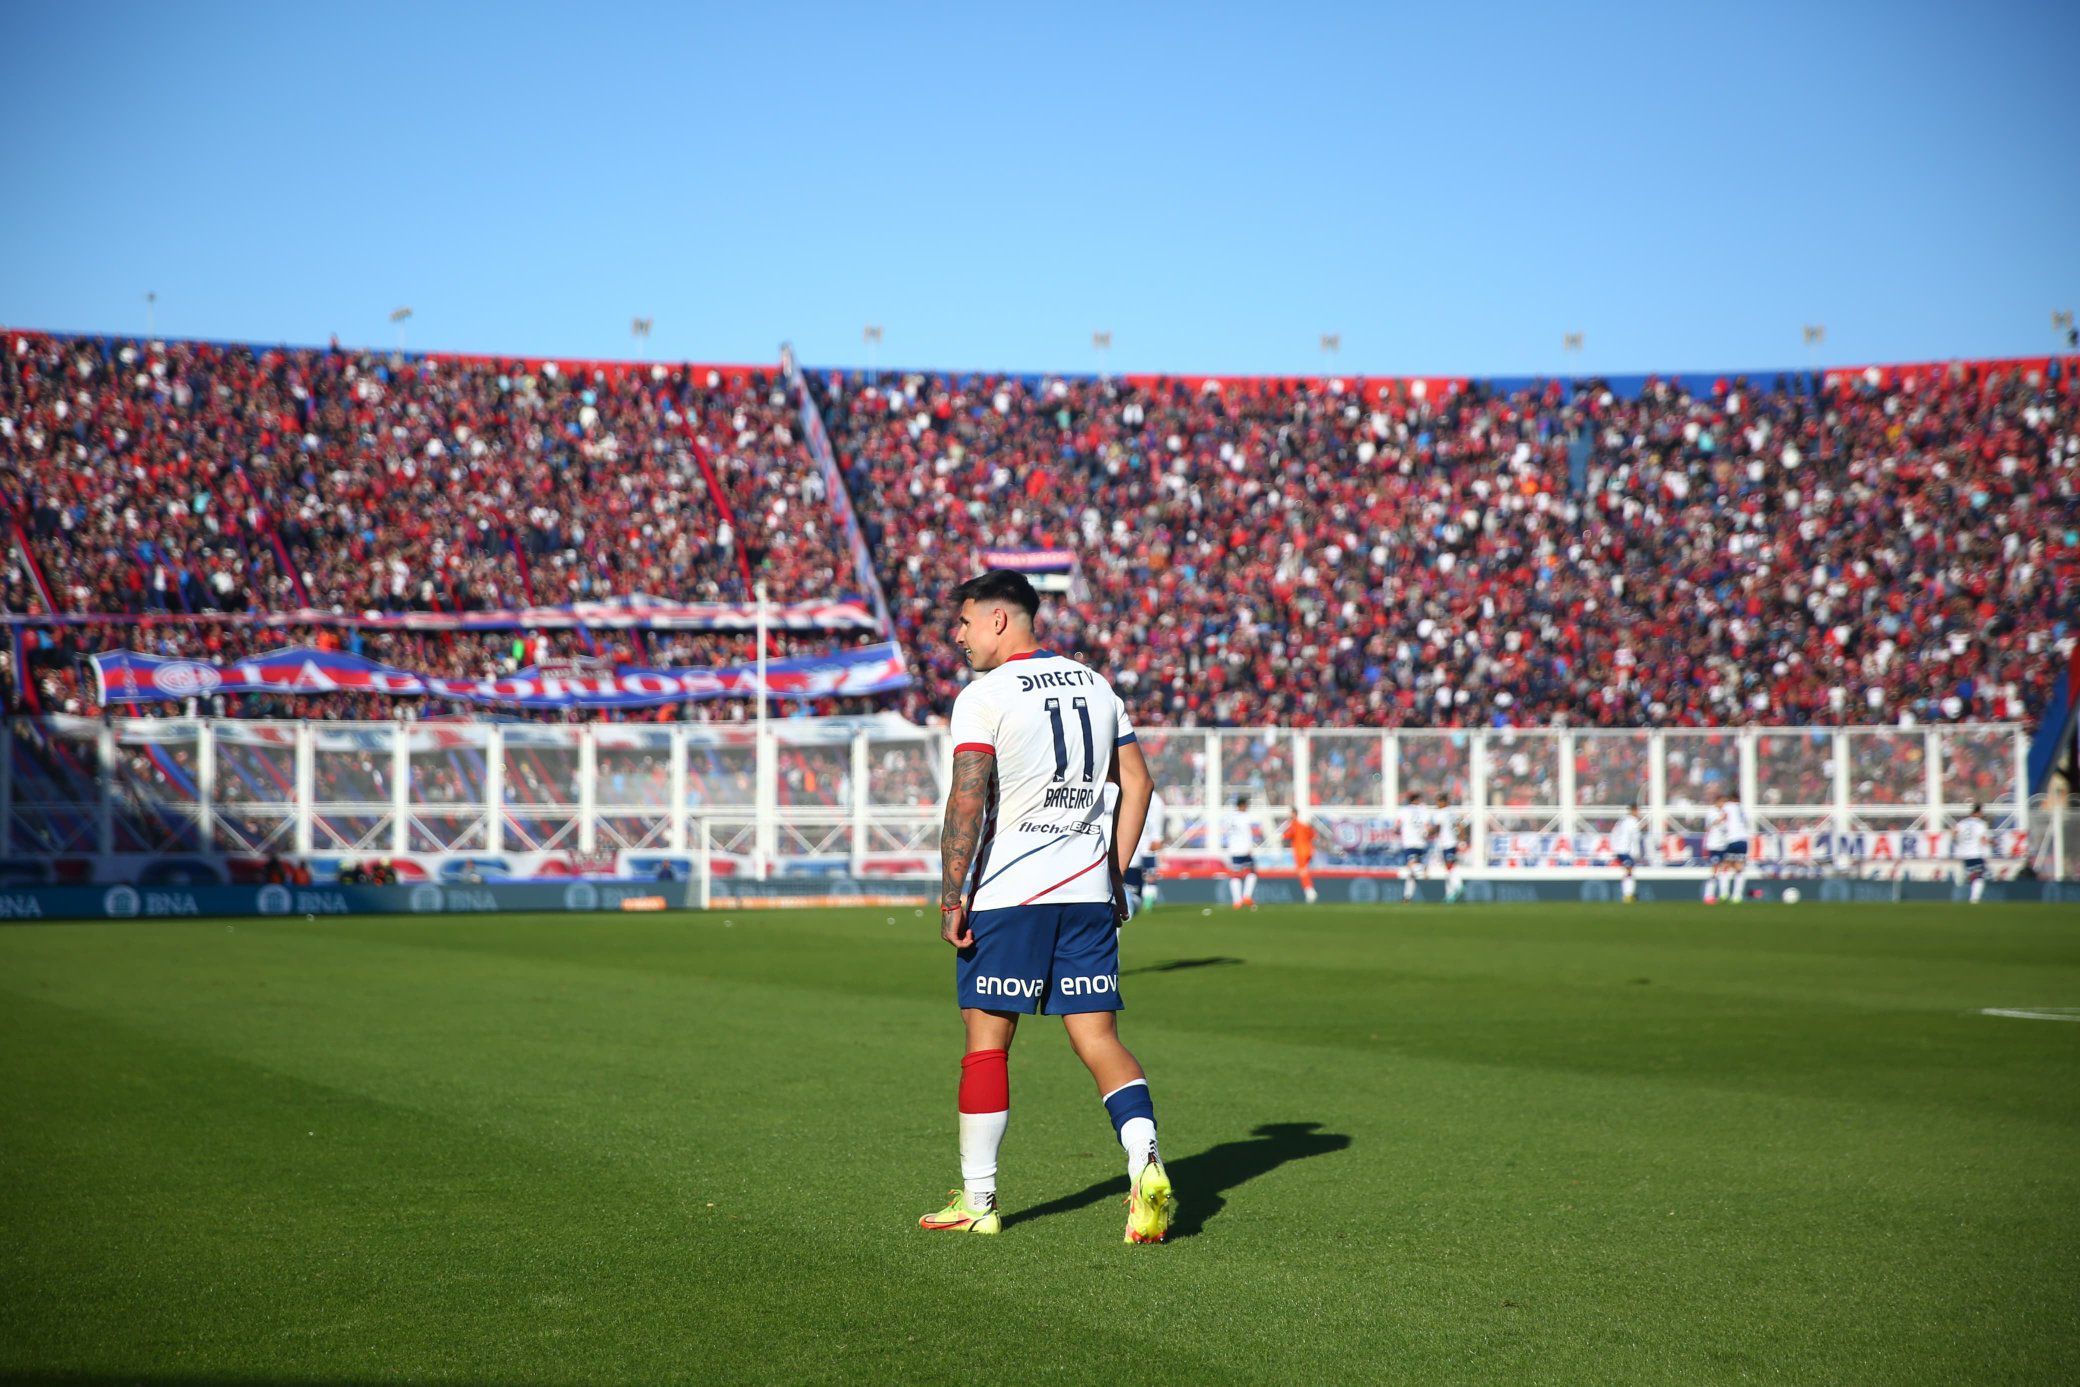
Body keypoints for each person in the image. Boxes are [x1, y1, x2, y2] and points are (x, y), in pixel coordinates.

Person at [922, 570, 1171, 1244]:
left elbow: (968, 796)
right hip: (1086, 892)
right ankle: (1144, 1160)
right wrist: (1113, 872)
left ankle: (979, 1199)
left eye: (966, 621)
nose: (959, 635)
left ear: (1001, 620)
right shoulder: (1096, 686)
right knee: (1099, 1040)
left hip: (1010, 896)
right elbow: (1139, 783)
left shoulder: (985, 695)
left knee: (987, 1043)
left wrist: (952, 894)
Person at [1124, 788, 1165, 917]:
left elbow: (1158, 817)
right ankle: (1132, 899)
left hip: (1146, 838)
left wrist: (1157, 837)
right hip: (1137, 838)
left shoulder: (1154, 799)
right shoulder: (1132, 791)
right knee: (1136, 870)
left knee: (1149, 871)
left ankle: (1147, 901)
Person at [1222, 796, 1261, 910]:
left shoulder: (1230, 817)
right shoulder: (1245, 817)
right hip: (1244, 849)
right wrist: (1250, 847)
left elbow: (1227, 832)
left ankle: (1237, 901)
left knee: (1235, 875)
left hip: (1234, 850)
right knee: (1252, 873)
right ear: (1243, 805)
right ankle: (1247, 896)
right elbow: (1247, 832)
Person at [1396, 792, 1431, 903]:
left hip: (1409, 842)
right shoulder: (1424, 810)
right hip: (1421, 843)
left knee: (1412, 866)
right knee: (1411, 873)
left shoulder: (1404, 811)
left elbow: (1397, 826)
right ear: (1417, 800)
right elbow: (1428, 828)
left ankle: (1422, 868)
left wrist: (1397, 831)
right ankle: (1407, 897)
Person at [1954, 803, 1991, 904]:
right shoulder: (1981, 824)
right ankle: (1974, 900)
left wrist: (1960, 843)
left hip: (1965, 855)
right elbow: (1983, 840)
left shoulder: (1962, 823)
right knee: (1979, 878)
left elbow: (1954, 833)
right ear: (1979, 812)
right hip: (1976, 853)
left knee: (1972, 877)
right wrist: (1992, 843)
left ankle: (1967, 895)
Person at [1281, 804, 1318, 904]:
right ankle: (1309, 891)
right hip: (1309, 850)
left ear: (1293, 813)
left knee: (1302, 871)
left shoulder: (1294, 824)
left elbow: (1287, 835)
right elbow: (1313, 835)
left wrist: (1283, 835)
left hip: (1300, 852)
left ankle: (1310, 892)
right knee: (1303, 871)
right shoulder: (1304, 825)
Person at [1430, 792, 1463, 904]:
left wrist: (1428, 833)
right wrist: (1461, 839)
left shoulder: (1440, 813)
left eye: (1438, 801)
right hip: (1452, 842)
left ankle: (1458, 886)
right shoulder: (1452, 812)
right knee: (1449, 867)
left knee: (1449, 867)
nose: (1437, 804)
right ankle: (1450, 895)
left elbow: (1437, 828)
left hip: (1445, 843)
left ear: (1444, 802)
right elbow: (1460, 825)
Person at [1612, 804, 1645, 903]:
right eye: (1637, 811)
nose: (1639, 813)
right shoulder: (1632, 821)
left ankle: (1628, 894)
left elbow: (1614, 833)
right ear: (1634, 811)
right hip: (1625, 850)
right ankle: (1628, 895)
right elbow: (1635, 837)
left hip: (1619, 849)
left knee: (1628, 871)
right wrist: (1637, 852)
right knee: (1629, 871)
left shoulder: (1622, 821)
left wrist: (1614, 847)